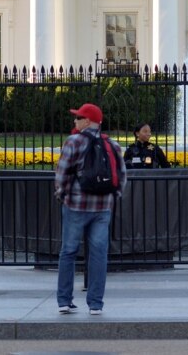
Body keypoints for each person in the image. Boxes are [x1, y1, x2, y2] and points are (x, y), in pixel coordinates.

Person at [54, 102, 126, 316]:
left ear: (87, 121)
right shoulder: (112, 144)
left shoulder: (74, 142)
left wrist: (62, 195)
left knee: (68, 251)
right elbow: (122, 177)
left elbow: (62, 174)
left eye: (77, 118)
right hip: (103, 207)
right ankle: (95, 303)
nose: (74, 121)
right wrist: (113, 198)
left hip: (76, 205)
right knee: (98, 254)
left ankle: (64, 300)